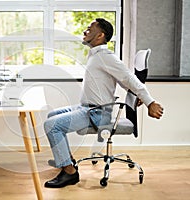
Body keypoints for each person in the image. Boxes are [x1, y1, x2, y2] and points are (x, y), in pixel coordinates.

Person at [44, 18, 164, 188]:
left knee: (52, 125)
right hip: (86, 107)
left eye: (89, 28)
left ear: (100, 35)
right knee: (51, 116)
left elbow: (130, 79)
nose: (85, 31)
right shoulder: (96, 55)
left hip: (97, 113)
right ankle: (66, 160)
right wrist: (133, 95)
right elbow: (125, 82)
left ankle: (69, 172)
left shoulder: (106, 57)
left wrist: (150, 102)